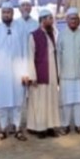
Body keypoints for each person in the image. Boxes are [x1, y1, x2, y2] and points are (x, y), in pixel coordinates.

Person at [0, 2, 28, 141]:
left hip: (17, 72)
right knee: (2, 103)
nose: (6, 15)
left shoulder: (21, 28)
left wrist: (25, 72)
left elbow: (25, 52)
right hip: (1, 73)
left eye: (8, 12)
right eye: (4, 12)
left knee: (17, 103)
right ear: (1, 14)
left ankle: (17, 129)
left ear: (13, 13)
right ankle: (3, 129)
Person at [27, 8, 62, 138]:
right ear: (42, 20)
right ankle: (40, 129)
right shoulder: (33, 36)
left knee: (51, 101)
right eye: (49, 18)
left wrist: (58, 74)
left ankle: (50, 127)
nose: (52, 21)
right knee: (40, 103)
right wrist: (32, 76)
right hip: (39, 74)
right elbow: (30, 57)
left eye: (52, 18)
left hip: (52, 74)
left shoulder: (53, 34)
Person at [57, 7, 80, 135]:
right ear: (67, 20)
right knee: (65, 102)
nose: (73, 21)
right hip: (65, 74)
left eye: (75, 19)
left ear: (79, 20)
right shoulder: (61, 35)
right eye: (71, 19)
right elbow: (58, 55)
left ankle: (79, 125)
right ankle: (65, 125)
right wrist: (58, 73)